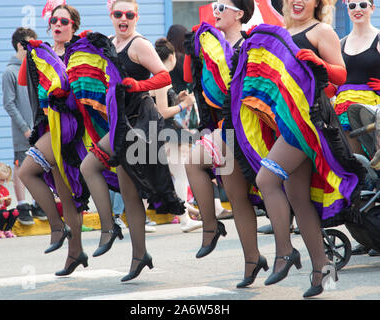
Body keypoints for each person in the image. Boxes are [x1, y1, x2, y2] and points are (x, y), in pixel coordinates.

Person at [234, 0, 365, 298]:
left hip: (310, 121)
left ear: (317, 2)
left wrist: (320, 64)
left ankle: (285, 252)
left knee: (266, 180)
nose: (297, 1)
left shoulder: (322, 31)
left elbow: (341, 76)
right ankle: (322, 271)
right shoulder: (281, 33)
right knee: (297, 197)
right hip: (287, 120)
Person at [80, 0, 184, 282]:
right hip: (119, 119)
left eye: (129, 14)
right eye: (118, 14)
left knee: (91, 167)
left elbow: (163, 76)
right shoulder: (111, 42)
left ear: (136, 17)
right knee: (125, 191)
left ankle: (111, 230)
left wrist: (139, 85)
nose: (123, 18)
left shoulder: (140, 45)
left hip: (138, 120)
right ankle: (138, 253)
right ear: (111, 16)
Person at [184, 0, 269, 288]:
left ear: (240, 14)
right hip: (223, 126)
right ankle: (252, 260)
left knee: (193, 160)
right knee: (238, 198)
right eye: (215, 5)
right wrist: (194, 49)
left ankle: (210, 226)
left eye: (223, 6)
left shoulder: (252, 44)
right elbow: (190, 79)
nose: (216, 10)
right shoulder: (210, 45)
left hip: (244, 128)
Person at [18, 2, 88, 276]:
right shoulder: (43, 53)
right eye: (55, 21)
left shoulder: (79, 53)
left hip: (70, 128)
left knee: (26, 171)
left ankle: (58, 228)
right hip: (48, 127)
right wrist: (31, 54)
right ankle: (75, 253)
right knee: (66, 194)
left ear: (73, 26)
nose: (58, 25)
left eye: (64, 22)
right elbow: (25, 82)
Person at [150, 37, 203, 233]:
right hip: (166, 131)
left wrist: (177, 98)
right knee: (180, 174)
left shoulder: (156, 75)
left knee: (173, 174)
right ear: (171, 56)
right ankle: (184, 219)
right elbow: (162, 111)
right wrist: (184, 105)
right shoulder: (162, 76)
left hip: (161, 131)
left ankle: (185, 214)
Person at [2, 27, 47, 226]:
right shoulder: (9, 72)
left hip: (38, 126)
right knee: (21, 165)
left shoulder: (34, 68)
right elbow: (9, 103)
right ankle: (22, 205)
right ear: (21, 45)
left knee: (41, 164)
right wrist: (24, 127)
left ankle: (38, 202)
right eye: (30, 44)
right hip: (23, 130)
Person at [334, 0, 380, 155]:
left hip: (372, 110)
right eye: (352, 6)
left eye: (363, 4)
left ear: (372, 8)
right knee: (355, 161)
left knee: (375, 159)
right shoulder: (340, 43)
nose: (357, 9)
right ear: (348, 10)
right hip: (343, 110)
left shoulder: (379, 39)